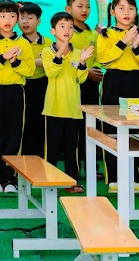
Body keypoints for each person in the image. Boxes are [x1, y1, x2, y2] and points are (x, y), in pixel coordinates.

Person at [96, 0, 139, 193]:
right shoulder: (105, 34)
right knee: (111, 129)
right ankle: (113, 177)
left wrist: (136, 45)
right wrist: (123, 42)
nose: (126, 12)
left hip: (134, 82)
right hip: (112, 81)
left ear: (136, 12)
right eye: (121, 8)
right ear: (112, 12)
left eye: (131, 8)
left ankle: (134, 177)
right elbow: (104, 61)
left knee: (134, 130)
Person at [0, 0, 35, 193]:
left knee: (14, 134)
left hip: (15, 91)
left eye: (12, 15)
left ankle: (10, 178)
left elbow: (30, 70)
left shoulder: (23, 43)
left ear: (18, 18)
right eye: (2, 16)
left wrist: (16, 61)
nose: (7, 20)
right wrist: (3, 57)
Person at [42, 12, 95, 193]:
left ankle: (72, 181)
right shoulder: (47, 52)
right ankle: (50, 182)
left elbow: (81, 78)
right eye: (62, 26)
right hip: (53, 108)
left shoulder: (79, 53)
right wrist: (59, 53)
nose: (67, 30)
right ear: (53, 31)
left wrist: (82, 63)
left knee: (72, 149)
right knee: (52, 149)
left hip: (73, 108)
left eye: (71, 27)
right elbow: (51, 72)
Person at [67, 0, 103, 180]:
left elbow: (97, 57)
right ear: (68, 9)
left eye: (88, 6)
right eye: (79, 6)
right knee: (73, 128)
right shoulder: (66, 33)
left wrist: (95, 69)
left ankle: (91, 166)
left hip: (91, 86)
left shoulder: (93, 34)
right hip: (72, 85)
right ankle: (73, 168)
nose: (85, 10)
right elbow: (65, 60)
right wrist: (86, 71)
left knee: (90, 126)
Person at [18, 1, 48, 157]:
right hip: (21, 86)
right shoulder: (15, 42)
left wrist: (28, 61)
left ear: (39, 21)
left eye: (29, 18)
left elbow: (52, 64)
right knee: (21, 124)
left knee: (39, 124)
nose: (25, 22)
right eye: (21, 18)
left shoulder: (49, 43)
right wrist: (39, 62)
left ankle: (40, 161)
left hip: (42, 87)